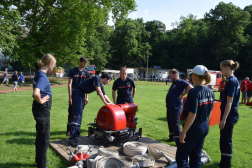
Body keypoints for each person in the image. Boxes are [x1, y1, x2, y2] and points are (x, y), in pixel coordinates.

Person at [176, 65, 215, 168]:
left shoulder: (193, 92)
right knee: (196, 157)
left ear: (194, 75)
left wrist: (183, 132)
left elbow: (192, 114)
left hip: (194, 128)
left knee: (181, 157)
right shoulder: (210, 92)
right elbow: (209, 113)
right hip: (204, 126)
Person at [69, 73, 114, 146]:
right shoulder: (96, 78)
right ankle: (72, 138)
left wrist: (111, 103)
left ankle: (76, 134)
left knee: (80, 114)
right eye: (109, 81)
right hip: (77, 92)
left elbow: (104, 95)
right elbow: (99, 91)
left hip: (81, 94)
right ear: (105, 78)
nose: (108, 83)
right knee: (77, 115)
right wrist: (105, 103)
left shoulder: (101, 84)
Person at [32, 53, 56, 168]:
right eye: (54, 65)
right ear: (50, 64)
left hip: (40, 109)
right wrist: (41, 100)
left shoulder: (39, 73)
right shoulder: (42, 76)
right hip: (42, 109)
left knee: (41, 136)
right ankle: (41, 165)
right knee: (44, 137)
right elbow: (36, 93)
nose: (54, 67)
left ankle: (39, 161)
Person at [219, 60, 240, 168]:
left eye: (221, 68)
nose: (221, 71)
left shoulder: (232, 81)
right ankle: (223, 162)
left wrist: (223, 119)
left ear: (227, 67)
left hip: (230, 114)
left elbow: (230, 102)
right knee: (223, 139)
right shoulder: (233, 80)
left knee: (226, 139)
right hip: (229, 113)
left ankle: (226, 164)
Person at [166, 69, 193, 146]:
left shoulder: (181, 82)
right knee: (170, 122)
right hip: (170, 106)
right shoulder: (174, 82)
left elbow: (190, 88)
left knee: (175, 123)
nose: (169, 78)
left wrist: (182, 94)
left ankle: (178, 141)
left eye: (170, 76)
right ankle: (172, 137)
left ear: (175, 75)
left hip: (176, 106)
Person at [66, 57, 90, 136]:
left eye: (86, 63)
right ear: (80, 62)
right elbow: (70, 84)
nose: (85, 65)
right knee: (72, 112)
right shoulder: (73, 71)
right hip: (74, 94)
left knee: (80, 113)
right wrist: (70, 97)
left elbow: (87, 85)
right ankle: (69, 130)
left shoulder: (86, 72)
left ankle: (76, 130)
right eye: (84, 63)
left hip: (82, 95)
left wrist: (87, 97)